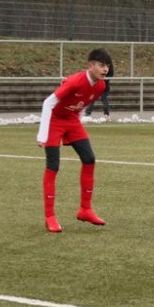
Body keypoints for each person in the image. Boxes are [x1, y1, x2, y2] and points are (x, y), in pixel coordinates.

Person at [36, 48, 112, 233]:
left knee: (89, 159)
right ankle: (50, 217)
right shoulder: (75, 81)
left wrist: (77, 121)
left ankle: (85, 210)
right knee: (53, 166)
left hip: (71, 121)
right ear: (90, 65)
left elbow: (81, 104)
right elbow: (48, 103)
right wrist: (42, 135)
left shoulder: (100, 86)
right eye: (102, 65)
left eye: (107, 66)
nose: (105, 69)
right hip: (54, 121)